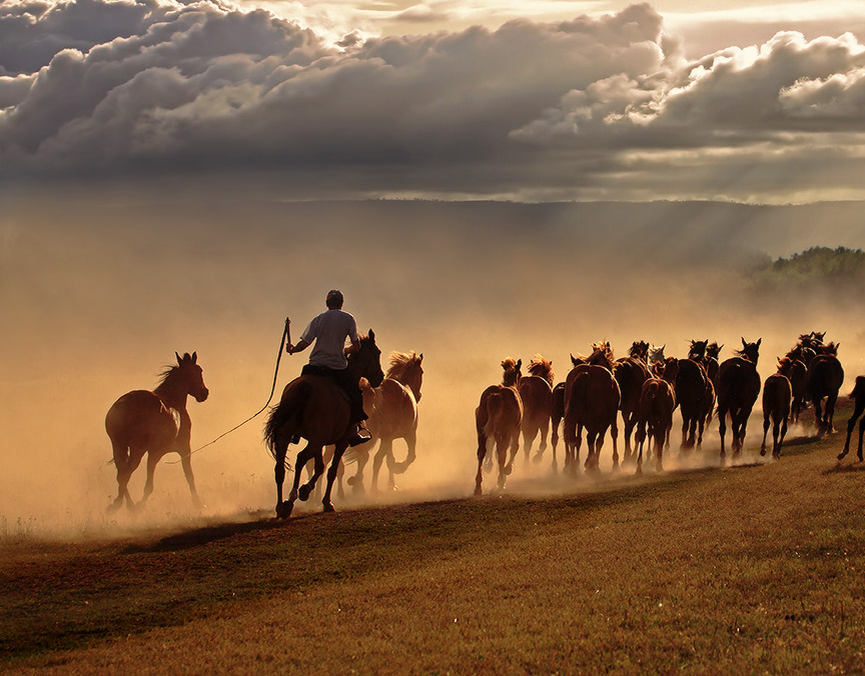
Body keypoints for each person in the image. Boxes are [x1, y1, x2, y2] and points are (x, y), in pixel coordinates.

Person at [286, 289, 371, 447]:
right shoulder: (348, 319)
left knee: (298, 388)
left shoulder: (318, 319)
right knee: (355, 393)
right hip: (336, 367)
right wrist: (347, 350)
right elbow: (357, 345)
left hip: (315, 365)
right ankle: (354, 431)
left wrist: (292, 349)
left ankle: (294, 430)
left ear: (327, 303)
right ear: (341, 303)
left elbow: (304, 343)